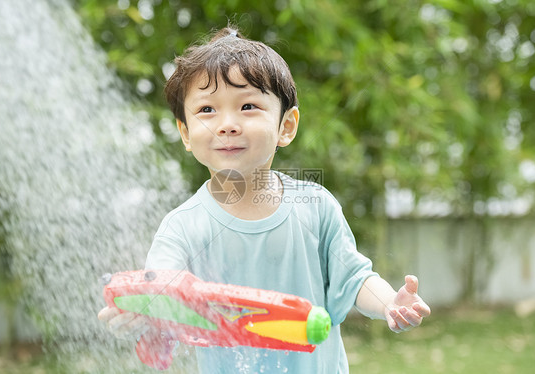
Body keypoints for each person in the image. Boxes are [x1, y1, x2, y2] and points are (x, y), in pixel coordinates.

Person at [98, 26, 431, 373]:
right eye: (207, 110)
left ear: (286, 126)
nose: (226, 124)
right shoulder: (181, 228)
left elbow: (354, 278)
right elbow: (166, 292)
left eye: (247, 106)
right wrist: (141, 309)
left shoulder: (315, 206)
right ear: (185, 132)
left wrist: (391, 302)